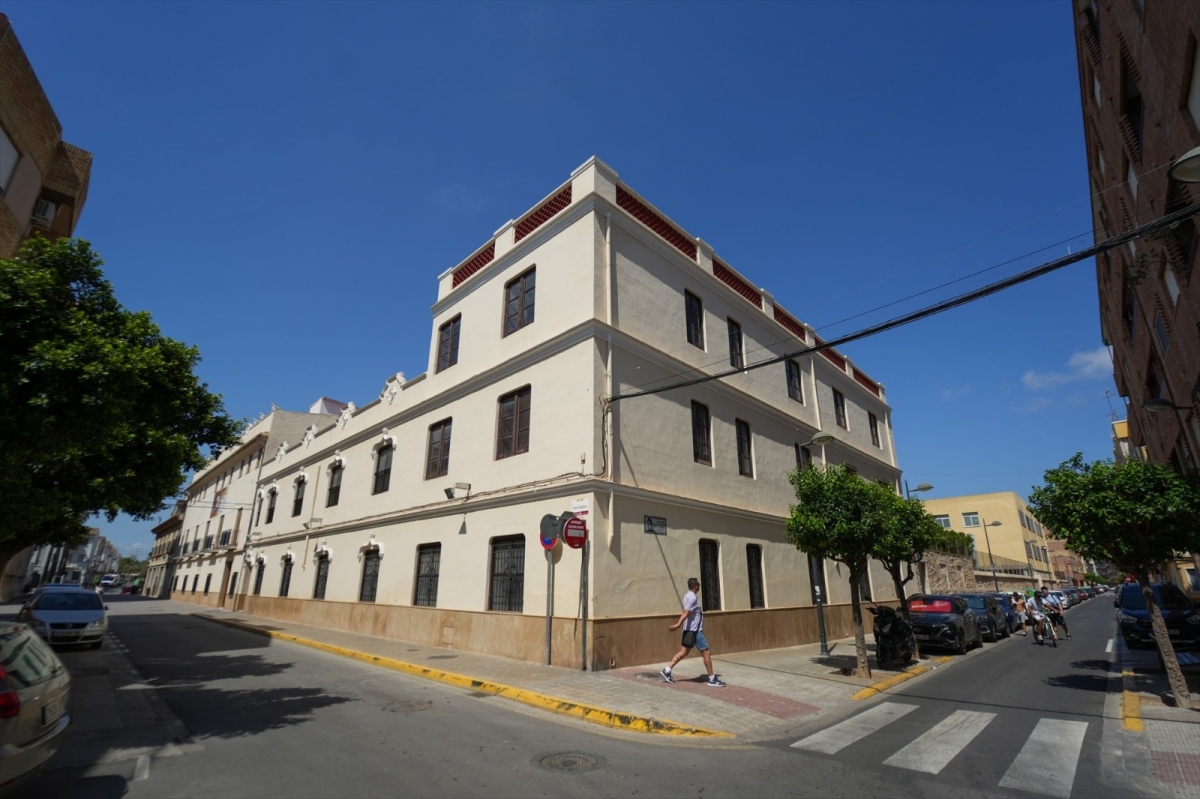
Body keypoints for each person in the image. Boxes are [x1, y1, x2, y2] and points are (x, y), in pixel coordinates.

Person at [662, 577, 726, 687]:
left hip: (689, 631)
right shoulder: (692, 598)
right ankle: (711, 678)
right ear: (695, 586)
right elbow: (686, 613)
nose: (700, 586)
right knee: (706, 652)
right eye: (698, 584)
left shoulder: (687, 596)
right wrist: (678, 625)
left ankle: (667, 670)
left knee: (684, 652)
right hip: (695, 631)